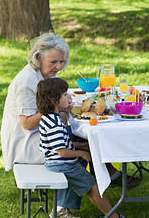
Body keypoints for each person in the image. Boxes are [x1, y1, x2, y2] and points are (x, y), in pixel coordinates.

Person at [0, 32, 137, 218]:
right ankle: (63, 207)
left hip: (42, 134)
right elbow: (26, 123)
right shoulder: (27, 81)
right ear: (39, 58)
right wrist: (56, 108)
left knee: (86, 141)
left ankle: (106, 175)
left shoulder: (42, 74)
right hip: (27, 143)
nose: (58, 67)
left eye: (61, 62)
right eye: (54, 62)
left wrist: (63, 108)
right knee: (80, 149)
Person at [36, 77, 126, 218]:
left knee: (90, 178)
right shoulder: (54, 124)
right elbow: (62, 152)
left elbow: (60, 143)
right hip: (63, 165)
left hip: (57, 162)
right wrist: (80, 153)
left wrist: (79, 145)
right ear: (54, 100)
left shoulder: (49, 117)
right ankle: (114, 217)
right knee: (93, 187)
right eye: (65, 95)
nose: (69, 96)